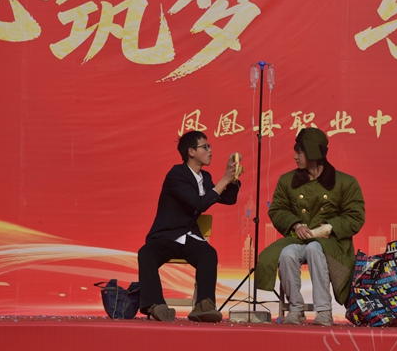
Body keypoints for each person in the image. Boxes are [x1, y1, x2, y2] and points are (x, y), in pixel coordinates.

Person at [255, 127, 365, 326]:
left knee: (315, 248)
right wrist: (296, 224)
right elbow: (278, 210)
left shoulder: (345, 182)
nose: (295, 156)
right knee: (287, 253)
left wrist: (330, 227)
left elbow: (355, 216)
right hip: (299, 239)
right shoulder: (287, 181)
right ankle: (295, 309)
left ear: (313, 153)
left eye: (300, 152)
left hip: (331, 242)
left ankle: (324, 310)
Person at [137, 131, 240, 322]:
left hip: (189, 236)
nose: (210, 150)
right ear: (191, 152)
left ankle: (204, 305)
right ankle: (156, 306)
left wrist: (233, 178)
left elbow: (228, 199)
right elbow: (199, 203)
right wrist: (224, 180)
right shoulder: (176, 174)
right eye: (205, 146)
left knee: (208, 253)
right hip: (167, 235)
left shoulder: (205, 177)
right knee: (146, 253)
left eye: (209, 146)